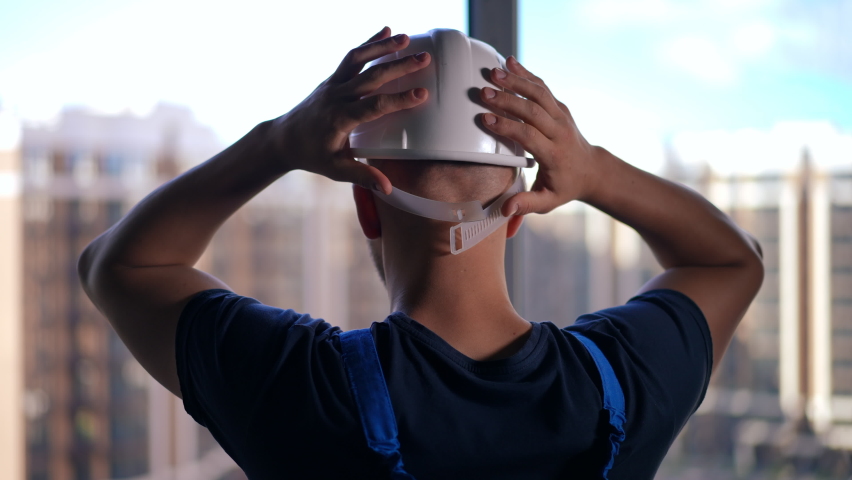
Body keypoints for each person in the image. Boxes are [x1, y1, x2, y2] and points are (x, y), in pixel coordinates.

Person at [78, 27, 764, 479]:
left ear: (365, 205)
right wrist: (593, 170)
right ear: (520, 214)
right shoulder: (626, 380)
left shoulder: (301, 389)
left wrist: (278, 143)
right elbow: (731, 261)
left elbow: (121, 267)